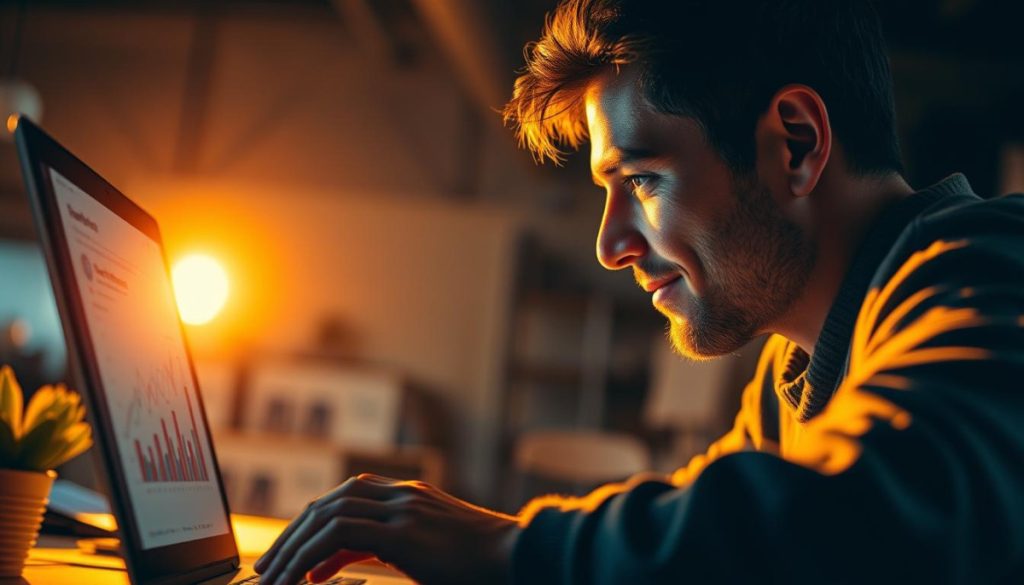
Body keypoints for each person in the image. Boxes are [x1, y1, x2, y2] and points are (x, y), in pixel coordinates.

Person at [253, 0, 1024, 583]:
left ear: (796, 143)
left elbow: (879, 509)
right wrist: (475, 537)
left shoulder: (988, 262)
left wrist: (505, 550)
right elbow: (709, 542)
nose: (611, 244)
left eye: (644, 179)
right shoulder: (795, 376)